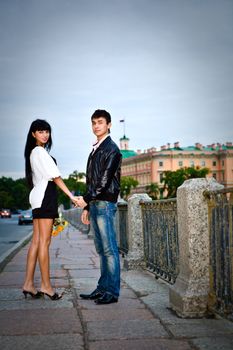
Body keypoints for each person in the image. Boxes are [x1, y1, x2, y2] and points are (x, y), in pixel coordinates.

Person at [22, 119, 78, 300]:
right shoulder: (40, 152)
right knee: (44, 243)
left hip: (37, 197)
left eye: (47, 131)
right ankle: (46, 286)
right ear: (33, 134)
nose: (45, 134)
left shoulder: (32, 153)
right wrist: (71, 196)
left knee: (36, 242)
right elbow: (56, 177)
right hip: (45, 197)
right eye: (40, 131)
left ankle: (28, 284)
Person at [77, 109, 122, 305]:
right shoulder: (95, 149)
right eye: (94, 122)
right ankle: (103, 288)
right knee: (101, 248)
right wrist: (87, 207)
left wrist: (85, 199)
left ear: (109, 125)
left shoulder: (112, 149)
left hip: (104, 203)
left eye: (100, 122)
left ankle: (112, 292)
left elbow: (103, 182)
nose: (96, 126)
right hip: (95, 203)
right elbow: (91, 181)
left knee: (109, 248)